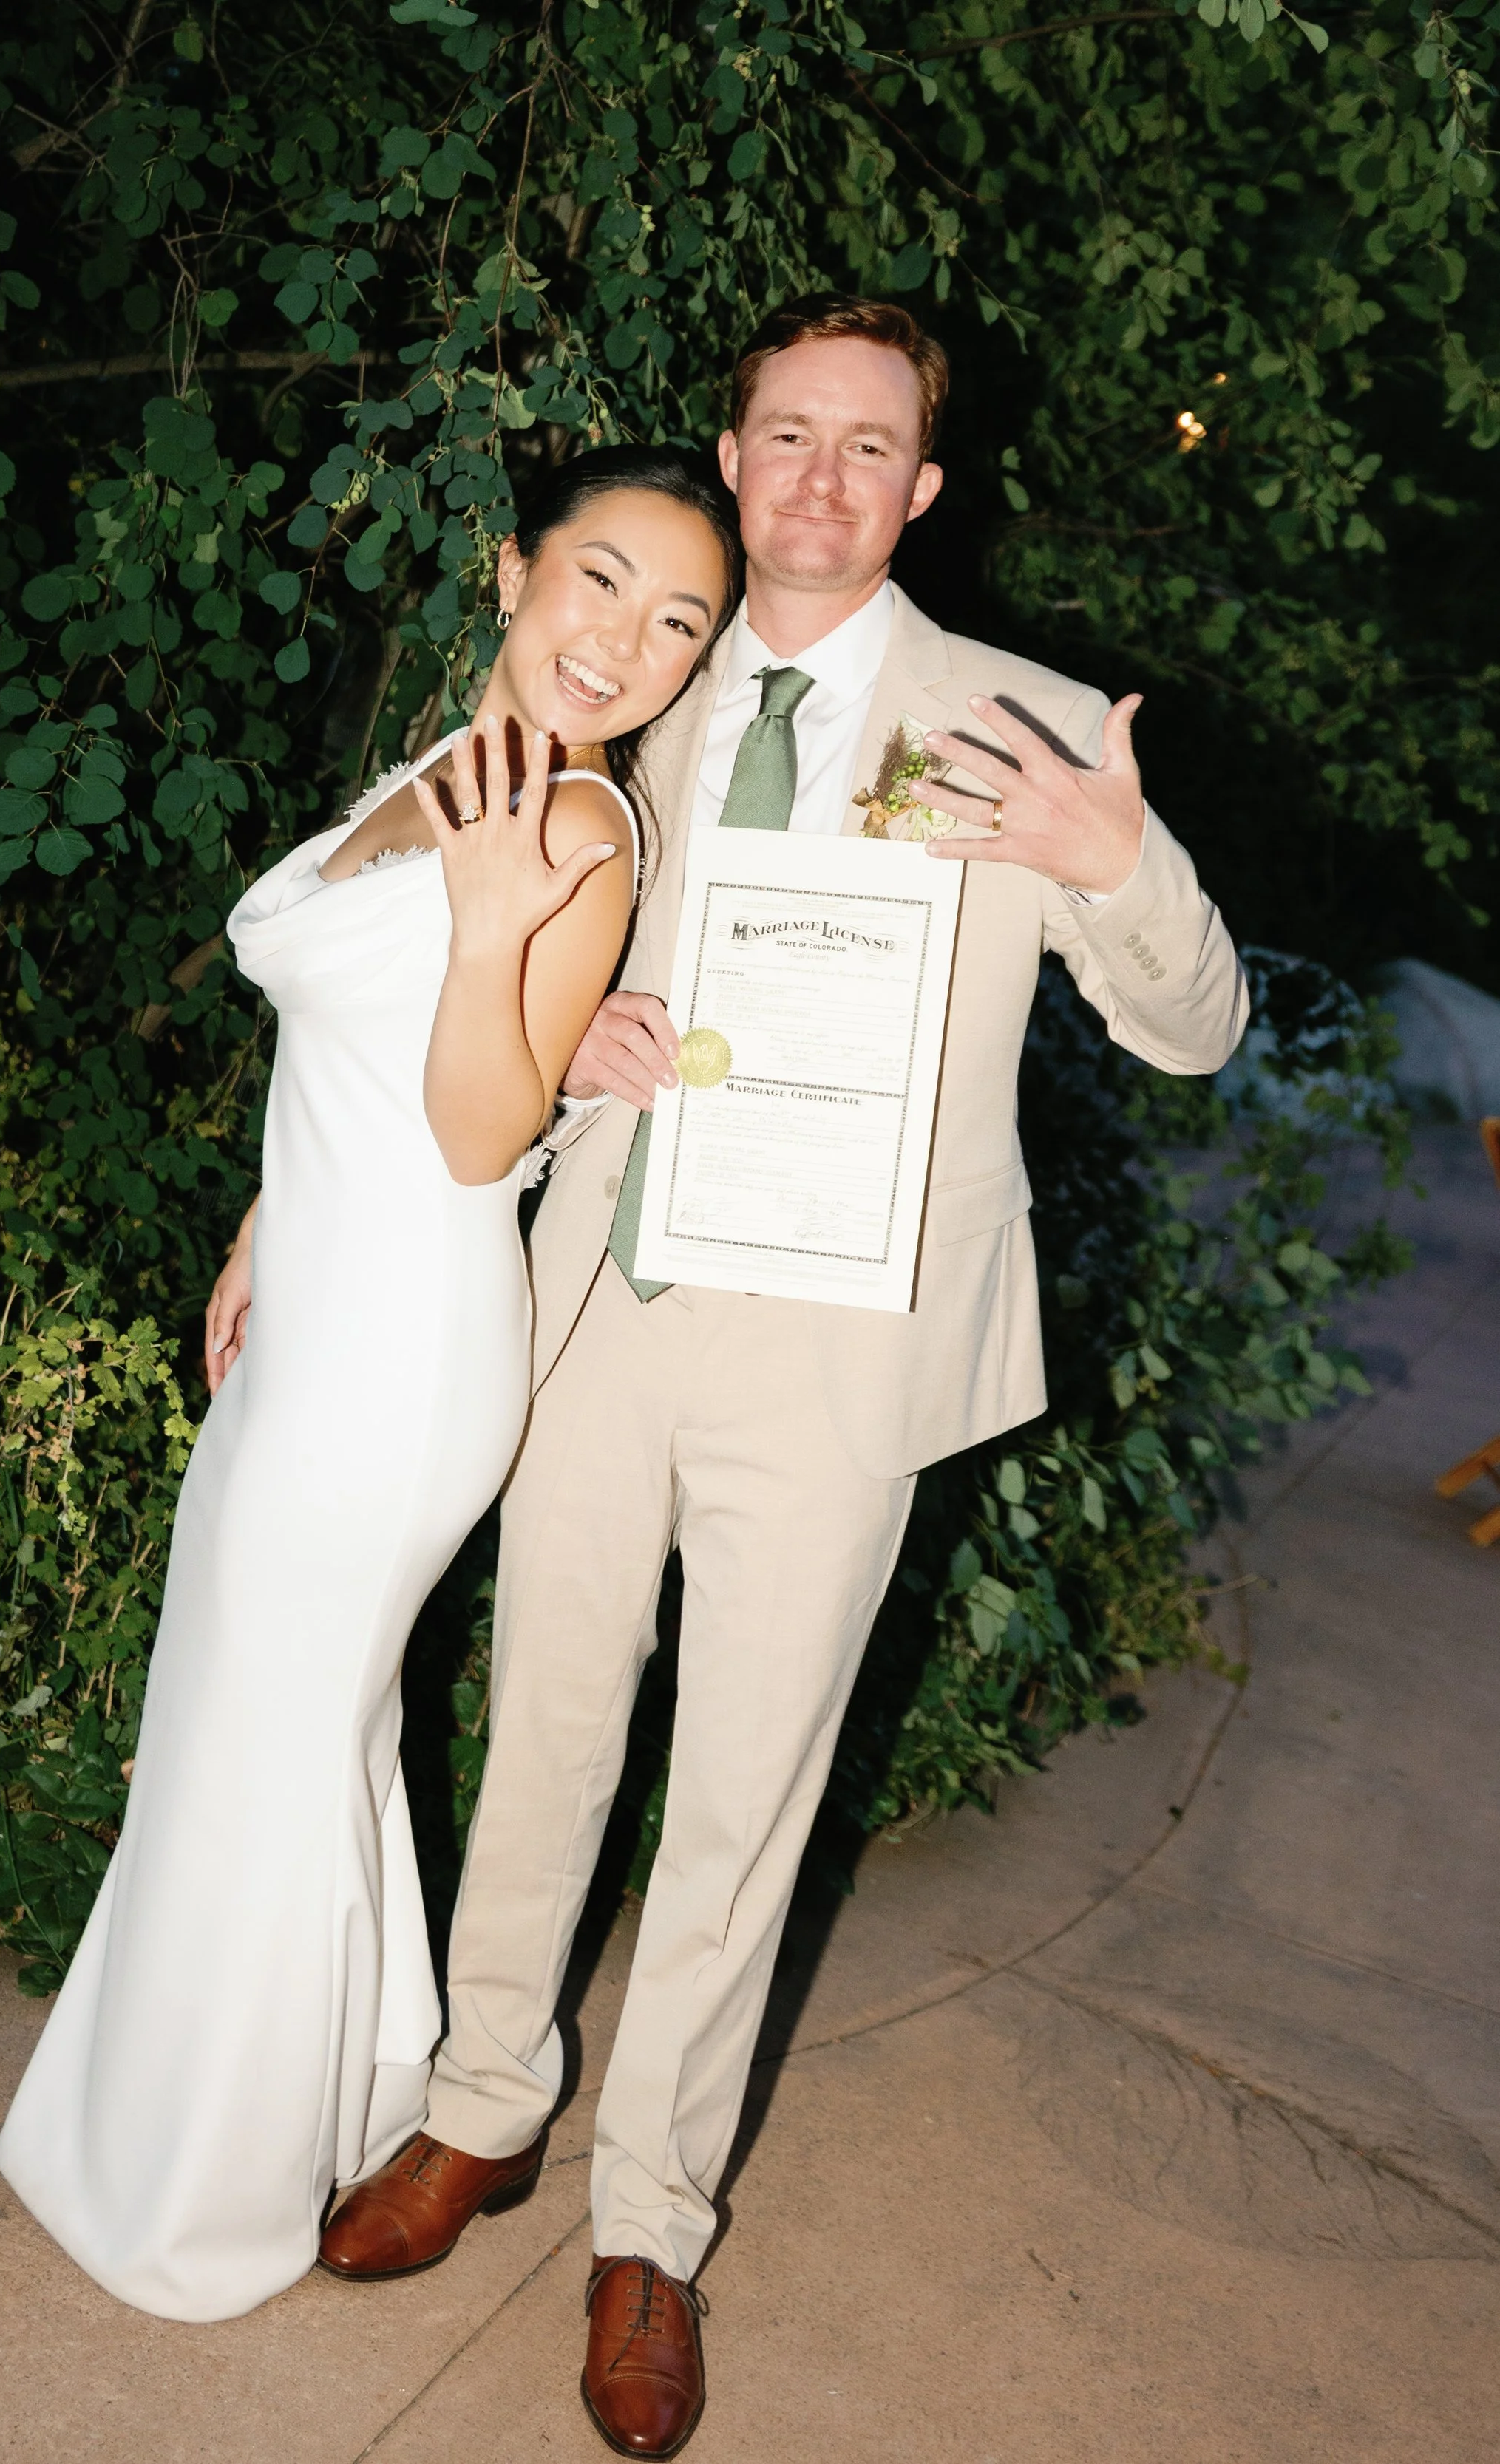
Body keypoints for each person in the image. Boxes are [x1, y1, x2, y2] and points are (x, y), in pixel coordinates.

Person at [317, 296, 1250, 2457]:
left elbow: (1193, 1024)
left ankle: (649, 2218)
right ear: (730, 458)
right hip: (603, 1303)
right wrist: (572, 1068)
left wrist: (1112, 866)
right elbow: (456, 974)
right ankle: (480, 2108)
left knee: (743, 1792)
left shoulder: (1012, 725)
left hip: (839, 1348)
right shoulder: (627, 674)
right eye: (783, 435)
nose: (819, 478)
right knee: (539, 1718)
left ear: (922, 484)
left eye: (869, 446)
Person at [0, 444, 741, 2323]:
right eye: (597, 582)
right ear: (510, 573)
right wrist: (264, 1217)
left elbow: (482, 1131)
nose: (623, 642)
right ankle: (293, 2089)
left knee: (272, 1726)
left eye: (679, 624)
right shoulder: (443, 767)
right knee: (253, 1719)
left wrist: (499, 924)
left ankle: (206, 2184)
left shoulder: (573, 829)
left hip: (404, 1350)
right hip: (322, 1296)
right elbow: (345, 1042)